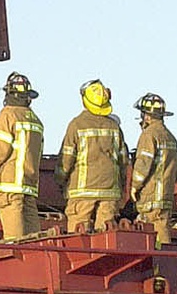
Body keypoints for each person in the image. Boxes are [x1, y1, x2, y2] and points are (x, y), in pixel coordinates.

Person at [55, 80, 129, 233]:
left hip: (82, 192)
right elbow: (123, 161)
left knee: (78, 235)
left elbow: (66, 159)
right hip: (110, 192)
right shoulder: (114, 127)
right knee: (105, 236)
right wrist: (120, 185)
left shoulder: (76, 125)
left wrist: (60, 180)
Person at [0, 72, 44, 240]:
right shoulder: (36, 120)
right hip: (28, 187)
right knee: (34, 242)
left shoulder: (8, 114)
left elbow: (1, 150)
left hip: (9, 187)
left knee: (14, 242)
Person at [130, 93, 177, 246]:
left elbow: (143, 164)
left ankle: (161, 264)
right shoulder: (170, 137)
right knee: (162, 229)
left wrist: (134, 186)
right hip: (165, 195)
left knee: (156, 236)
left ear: (147, 116)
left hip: (152, 197)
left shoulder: (149, 135)